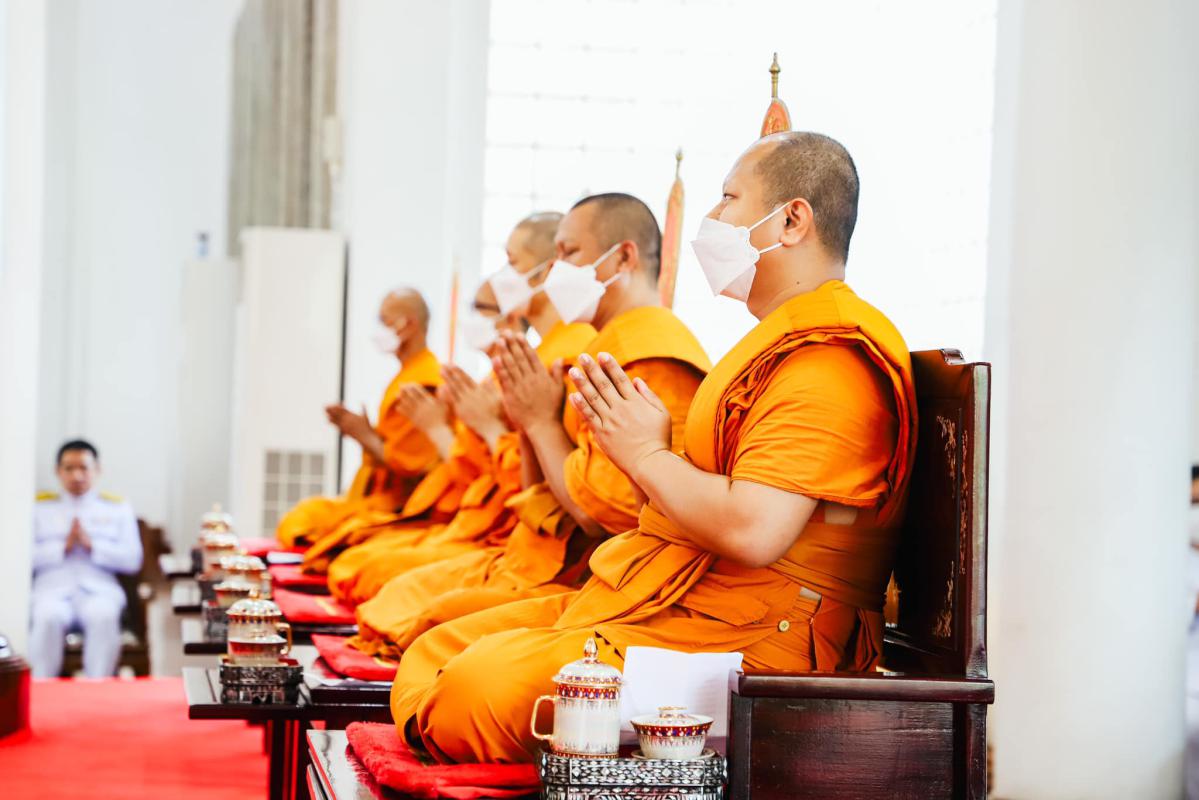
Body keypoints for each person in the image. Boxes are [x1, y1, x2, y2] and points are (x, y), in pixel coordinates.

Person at [389, 132, 918, 765]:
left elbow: (754, 530)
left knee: (477, 686)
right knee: (438, 646)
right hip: (684, 601)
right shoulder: (777, 343)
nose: (712, 218)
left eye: (728, 199)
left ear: (792, 220)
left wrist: (643, 455)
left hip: (760, 645)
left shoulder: (829, 359)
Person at [349, 192, 712, 659]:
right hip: (525, 546)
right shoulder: (601, 348)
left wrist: (532, 424)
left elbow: (606, 514)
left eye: (569, 253)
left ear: (624, 257)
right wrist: (526, 425)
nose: (556, 270)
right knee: (386, 593)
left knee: (427, 625)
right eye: (554, 255)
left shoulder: (648, 357)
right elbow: (535, 489)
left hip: (596, 576)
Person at [277, 288, 442, 567]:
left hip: (401, 506)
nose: (379, 328)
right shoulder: (409, 373)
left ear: (410, 325)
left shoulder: (425, 382)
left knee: (316, 532)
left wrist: (364, 435)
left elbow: (414, 467)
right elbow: (398, 446)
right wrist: (362, 431)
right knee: (301, 518)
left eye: (384, 320)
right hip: (378, 498)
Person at [29, 440, 143, 678]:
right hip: (51, 590)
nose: (77, 475)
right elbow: (21, 559)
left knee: (103, 616)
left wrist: (94, 547)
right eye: (69, 468)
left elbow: (133, 560)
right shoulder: (38, 507)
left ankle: (97, 687)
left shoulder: (116, 507)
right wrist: (62, 547)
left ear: (97, 469)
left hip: (99, 590)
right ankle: (41, 687)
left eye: (83, 467)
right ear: (58, 471)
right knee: (47, 617)